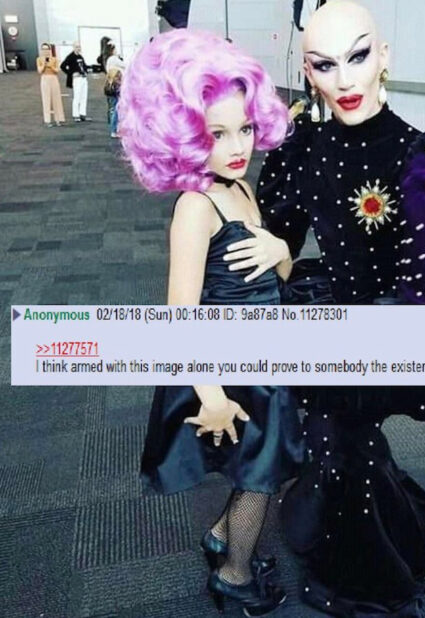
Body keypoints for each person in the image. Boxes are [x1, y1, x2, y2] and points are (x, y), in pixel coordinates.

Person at [246, 1, 425, 615]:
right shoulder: (303, 148)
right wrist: (274, 247)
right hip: (330, 312)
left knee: (338, 441)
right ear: (307, 71)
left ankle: (370, 572)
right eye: (324, 64)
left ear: (385, 57)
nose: (344, 80)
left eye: (358, 57)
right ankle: (383, 549)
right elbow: (282, 239)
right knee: (338, 444)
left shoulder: (423, 154)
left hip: (398, 327)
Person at [118, 29, 301, 616]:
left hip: (266, 356)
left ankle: (223, 539)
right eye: (217, 134)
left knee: (264, 466)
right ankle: (234, 575)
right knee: (259, 476)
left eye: (244, 128)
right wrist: (212, 394)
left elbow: (280, 273)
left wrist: (279, 248)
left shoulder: (242, 187)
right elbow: (180, 314)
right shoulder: (196, 206)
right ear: (184, 135)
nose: (237, 145)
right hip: (227, 365)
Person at [36, 43, 65, 127]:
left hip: (53, 78)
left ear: (50, 50)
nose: (45, 51)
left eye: (47, 49)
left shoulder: (54, 59)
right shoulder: (39, 59)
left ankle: (58, 119)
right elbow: (39, 71)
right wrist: (44, 64)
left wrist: (51, 66)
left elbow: (57, 70)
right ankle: (47, 120)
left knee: (57, 98)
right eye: (44, 49)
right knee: (46, 99)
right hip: (44, 78)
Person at [60, 41, 90, 122]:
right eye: (76, 47)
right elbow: (62, 66)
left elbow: (84, 66)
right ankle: (76, 114)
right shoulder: (70, 57)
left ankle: (82, 114)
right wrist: (71, 74)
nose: (78, 48)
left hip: (83, 78)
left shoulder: (80, 57)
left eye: (79, 47)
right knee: (77, 97)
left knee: (84, 97)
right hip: (77, 80)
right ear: (73, 47)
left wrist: (87, 71)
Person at [103, 67, 121, 138]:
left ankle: (113, 129)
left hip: (110, 97)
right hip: (114, 97)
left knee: (112, 111)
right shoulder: (116, 83)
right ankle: (114, 130)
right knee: (115, 113)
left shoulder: (108, 82)